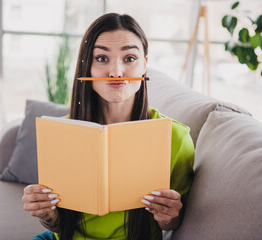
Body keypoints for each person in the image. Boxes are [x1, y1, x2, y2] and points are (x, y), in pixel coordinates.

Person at [22, 13, 194, 240]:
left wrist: (169, 216)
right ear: (87, 68)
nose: (116, 72)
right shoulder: (60, 133)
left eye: (129, 58)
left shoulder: (175, 138)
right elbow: (58, 225)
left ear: (144, 65)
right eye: (102, 59)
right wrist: (47, 213)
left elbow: (174, 222)